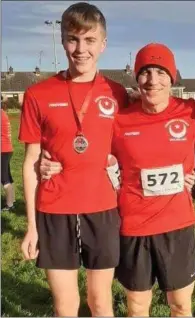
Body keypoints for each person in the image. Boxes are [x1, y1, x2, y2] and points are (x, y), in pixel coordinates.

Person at [40, 43, 195, 317]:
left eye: (161, 73)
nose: (153, 80)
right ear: (137, 78)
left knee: (181, 306)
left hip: (178, 228)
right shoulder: (119, 119)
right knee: (137, 307)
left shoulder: (190, 111)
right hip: (133, 228)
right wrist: (53, 161)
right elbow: (86, 147)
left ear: (172, 78)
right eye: (145, 72)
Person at [18, 2, 128, 316]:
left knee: (100, 301)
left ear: (103, 44)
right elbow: (30, 163)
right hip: (54, 212)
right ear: (63, 39)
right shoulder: (37, 94)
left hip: (103, 210)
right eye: (72, 39)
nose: (80, 49)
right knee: (66, 305)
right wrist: (31, 226)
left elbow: (149, 131)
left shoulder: (118, 93)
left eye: (89, 40)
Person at [1, 99, 15, 212]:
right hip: (7, 149)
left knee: (3, 177)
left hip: (2, 150)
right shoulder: (3, 113)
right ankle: (12, 201)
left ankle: (9, 205)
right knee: (7, 176)